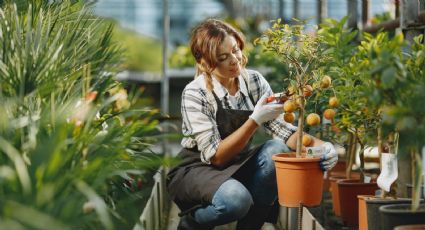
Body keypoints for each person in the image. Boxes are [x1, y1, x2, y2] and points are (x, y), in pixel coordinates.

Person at [166, 19, 338, 230]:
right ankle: (192, 223)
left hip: (237, 162)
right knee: (236, 200)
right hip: (198, 168)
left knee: (276, 150)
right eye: (223, 57)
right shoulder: (196, 93)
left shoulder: (253, 81)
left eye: (235, 50)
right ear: (205, 63)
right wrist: (255, 120)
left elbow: (285, 131)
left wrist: (322, 148)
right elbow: (216, 157)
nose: (235, 60)